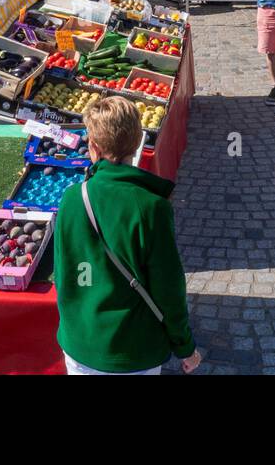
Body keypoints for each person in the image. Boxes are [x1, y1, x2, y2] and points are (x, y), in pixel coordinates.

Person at [53, 95, 201, 376]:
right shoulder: (152, 207)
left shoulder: (71, 199)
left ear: (93, 146)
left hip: (81, 345)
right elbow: (168, 288)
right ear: (136, 144)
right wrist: (185, 346)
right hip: (134, 350)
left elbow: (64, 274)